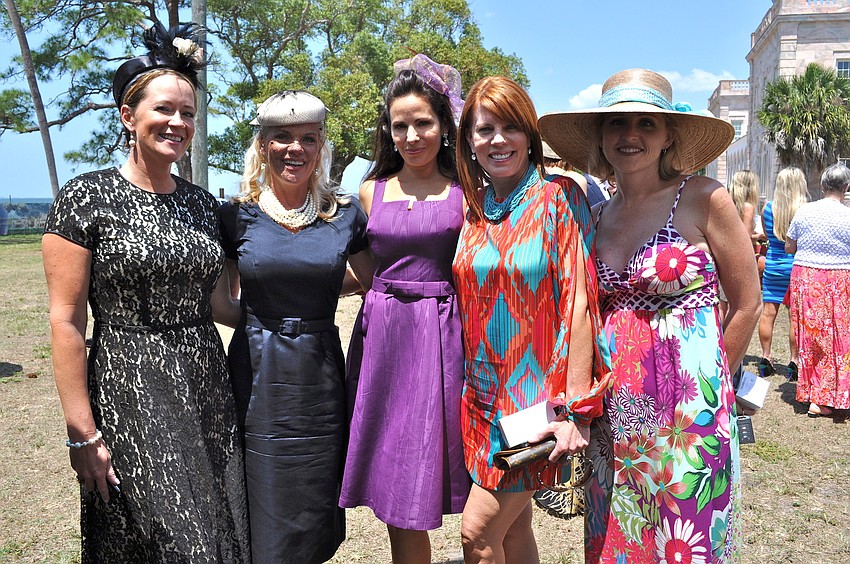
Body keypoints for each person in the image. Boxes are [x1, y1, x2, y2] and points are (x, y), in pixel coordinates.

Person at [42, 23, 250, 562]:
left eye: (187, 113)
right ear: (127, 116)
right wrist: (82, 434)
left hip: (207, 384)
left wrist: (311, 299)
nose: (177, 123)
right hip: (128, 387)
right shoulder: (87, 197)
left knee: (222, 529)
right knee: (167, 540)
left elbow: (220, 305)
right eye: (164, 110)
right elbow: (65, 322)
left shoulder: (205, 206)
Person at [539, 68, 762, 562]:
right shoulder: (597, 216)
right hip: (617, 407)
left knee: (686, 532)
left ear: (668, 137)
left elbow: (747, 301)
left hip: (689, 406)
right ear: (601, 137)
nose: (630, 135)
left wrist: (714, 384)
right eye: (617, 124)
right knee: (619, 531)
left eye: (646, 124)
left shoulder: (704, 198)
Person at [453, 75, 612, 564]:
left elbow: (580, 302)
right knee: (513, 531)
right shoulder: (473, 207)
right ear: (468, 141)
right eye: (484, 129)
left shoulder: (560, 197)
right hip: (479, 399)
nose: (497, 140)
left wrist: (574, 407)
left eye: (510, 127)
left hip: (535, 406)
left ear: (529, 135)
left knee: (477, 536)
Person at [219, 90, 370, 563]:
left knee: (313, 498)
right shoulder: (235, 215)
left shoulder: (344, 214)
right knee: (263, 495)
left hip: (319, 375)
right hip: (257, 372)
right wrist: (265, 319)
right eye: (281, 137)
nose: (295, 148)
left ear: (321, 147)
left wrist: (320, 291)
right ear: (263, 146)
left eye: (308, 138)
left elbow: (371, 280)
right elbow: (220, 302)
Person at [338, 54, 470, 564]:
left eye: (422, 123)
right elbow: (365, 270)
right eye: (400, 126)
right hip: (385, 341)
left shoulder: (466, 191)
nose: (411, 135)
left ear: (443, 124)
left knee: (451, 467)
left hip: (445, 337)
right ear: (388, 132)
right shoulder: (369, 193)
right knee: (395, 479)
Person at [786, 163, 850, 418]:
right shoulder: (847, 215)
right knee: (840, 337)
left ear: (823, 186)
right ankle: (835, 395)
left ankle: (814, 395)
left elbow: (790, 246)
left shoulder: (805, 211)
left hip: (806, 277)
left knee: (811, 338)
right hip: (840, 278)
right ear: (846, 187)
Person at [758, 167, 807, 380]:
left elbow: (768, 235)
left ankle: (765, 358)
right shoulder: (805, 209)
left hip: (773, 265)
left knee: (768, 312)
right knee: (793, 317)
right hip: (796, 266)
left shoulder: (767, 208)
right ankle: (794, 362)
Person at [720, 170, 768, 320]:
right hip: (738, 259)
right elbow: (745, 238)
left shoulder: (725, 204)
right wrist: (758, 236)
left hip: (722, 256)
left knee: (722, 302)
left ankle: (718, 337)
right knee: (740, 305)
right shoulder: (748, 208)